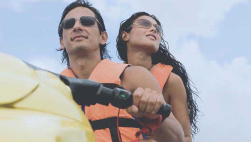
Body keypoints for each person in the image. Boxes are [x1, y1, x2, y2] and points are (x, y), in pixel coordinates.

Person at [57, 1, 184, 142]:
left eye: (87, 21)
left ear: (103, 37)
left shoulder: (135, 77)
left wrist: (155, 116)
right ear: (61, 42)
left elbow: (178, 139)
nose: (77, 27)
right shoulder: (52, 89)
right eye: (68, 24)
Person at [116, 12, 199, 142]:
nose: (153, 29)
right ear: (125, 35)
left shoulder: (172, 81)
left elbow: (186, 137)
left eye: (158, 29)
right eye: (144, 24)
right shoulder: (112, 76)